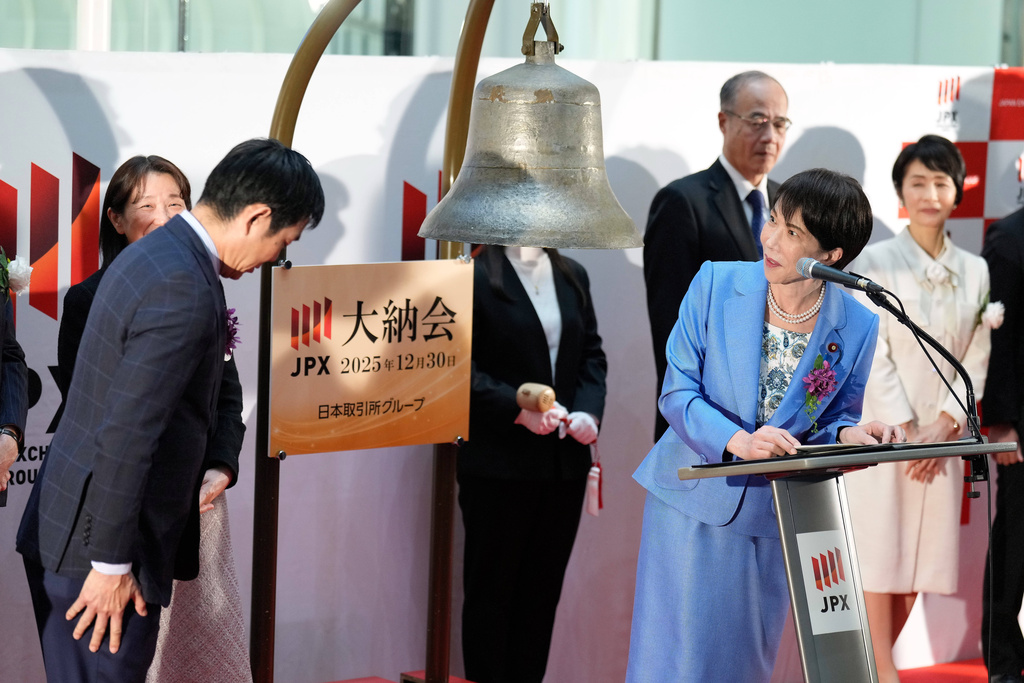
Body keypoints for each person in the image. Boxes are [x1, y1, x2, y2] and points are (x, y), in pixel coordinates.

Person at [17, 138, 325, 682]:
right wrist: (112, 564)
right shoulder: (180, 283)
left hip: (81, 533)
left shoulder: (162, 257)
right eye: (284, 240)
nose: (277, 258)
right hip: (99, 552)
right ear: (256, 217)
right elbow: (128, 433)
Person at [627, 168, 904, 682]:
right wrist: (737, 440)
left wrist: (852, 435)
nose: (771, 239)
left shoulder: (858, 324)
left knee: (743, 661)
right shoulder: (715, 281)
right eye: (774, 220)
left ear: (832, 256)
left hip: (772, 515)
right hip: (690, 501)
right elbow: (677, 392)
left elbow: (836, 417)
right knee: (676, 659)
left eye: (793, 233)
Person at [53, 155, 251, 683]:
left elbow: (225, 394)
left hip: (189, 509)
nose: (163, 216)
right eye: (145, 206)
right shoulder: (91, 298)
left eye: (176, 203)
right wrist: (112, 561)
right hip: (118, 522)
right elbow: (106, 424)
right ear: (116, 220)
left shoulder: (204, 282)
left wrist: (221, 463)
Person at [844, 134, 992, 683]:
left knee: (916, 562)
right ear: (901, 192)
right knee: (880, 556)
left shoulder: (975, 269)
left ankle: (873, 667)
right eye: (918, 183)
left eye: (940, 182)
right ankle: (881, 671)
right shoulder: (878, 261)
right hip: (889, 436)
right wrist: (909, 429)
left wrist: (947, 426)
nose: (930, 193)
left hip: (944, 435)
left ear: (957, 191)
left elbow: (977, 352)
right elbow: (871, 351)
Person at [458, 244, 606, 683]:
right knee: (491, 597)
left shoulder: (572, 273)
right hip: (497, 465)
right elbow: (456, 367)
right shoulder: (473, 275)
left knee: (541, 597)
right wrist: (518, 409)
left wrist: (587, 412)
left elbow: (591, 356)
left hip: (563, 466)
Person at [644, 70, 790, 440]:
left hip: (781, 416)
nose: (770, 136)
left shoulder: (793, 206)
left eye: (779, 123)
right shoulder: (683, 202)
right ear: (724, 121)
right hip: (708, 416)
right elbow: (670, 323)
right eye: (757, 120)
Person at [979, 207, 1023, 683]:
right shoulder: (1009, 237)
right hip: (1021, 426)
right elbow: (999, 340)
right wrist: (1003, 423)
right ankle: (1005, 664)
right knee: (1016, 546)